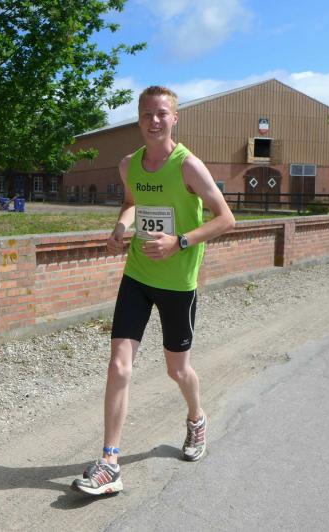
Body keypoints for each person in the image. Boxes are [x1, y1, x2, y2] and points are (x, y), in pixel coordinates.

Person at [72, 86, 236, 496]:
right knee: (118, 366)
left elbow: (226, 219)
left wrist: (179, 242)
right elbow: (131, 202)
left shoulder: (188, 166)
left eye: (162, 113)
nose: (154, 120)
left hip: (178, 283)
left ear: (174, 118)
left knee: (176, 370)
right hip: (138, 275)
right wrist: (120, 226)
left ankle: (196, 418)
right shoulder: (129, 165)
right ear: (139, 119)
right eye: (147, 113)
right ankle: (110, 462)